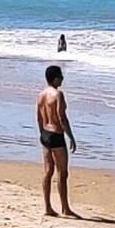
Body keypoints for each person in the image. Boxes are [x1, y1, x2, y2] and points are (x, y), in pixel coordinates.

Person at [36, 64, 78, 218]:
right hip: (56, 135)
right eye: (60, 76)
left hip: (45, 134)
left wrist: (42, 134)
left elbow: (39, 117)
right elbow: (61, 117)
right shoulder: (58, 94)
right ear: (55, 78)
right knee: (62, 173)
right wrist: (70, 136)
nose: (62, 79)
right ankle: (65, 208)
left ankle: (47, 206)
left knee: (48, 171)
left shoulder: (41, 95)